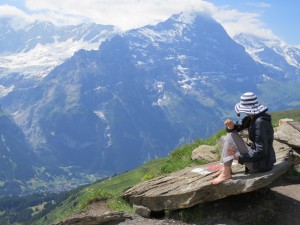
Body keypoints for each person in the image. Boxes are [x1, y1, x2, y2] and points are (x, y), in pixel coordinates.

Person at [212, 92, 276, 184]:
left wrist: (240, 158)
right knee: (229, 135)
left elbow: (261, 150)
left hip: (262, 164)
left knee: (231, 136)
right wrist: (231, 126)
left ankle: (226, 172)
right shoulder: (252, 118)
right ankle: (225, 168)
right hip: (260, 160)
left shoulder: (260, 122)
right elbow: (237, 127)